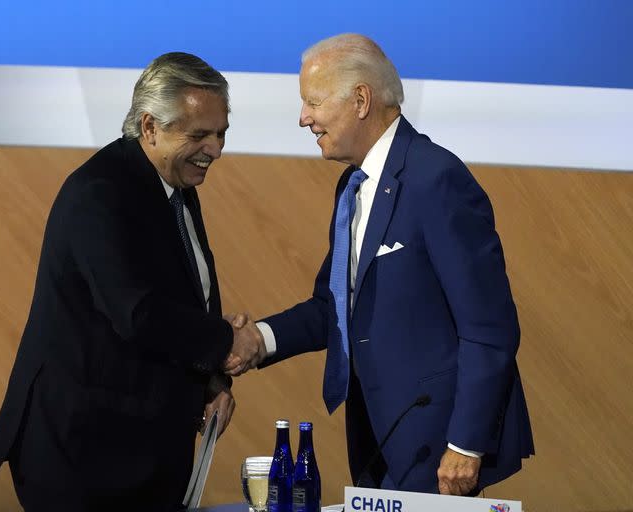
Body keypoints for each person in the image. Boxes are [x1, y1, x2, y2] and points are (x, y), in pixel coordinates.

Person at [227, 34, 534, 495]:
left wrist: (467, 445)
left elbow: (489, 326)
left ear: (361, 100)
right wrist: (259, 340)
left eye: (312, 102)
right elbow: (333, 305)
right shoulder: (353, 185)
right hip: (378, 438)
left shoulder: (436, 179)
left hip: (437, 449)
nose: (303, 117)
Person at [0, 52, 265, 511]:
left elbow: (185, 298)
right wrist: (226, 341)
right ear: (150, 126)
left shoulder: (175, 186)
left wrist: (211, 379)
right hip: (84, 456)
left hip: (140, 447)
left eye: (221, 133)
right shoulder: (100, 194)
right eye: (199, 134)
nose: (215, 149)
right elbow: (137, 313)